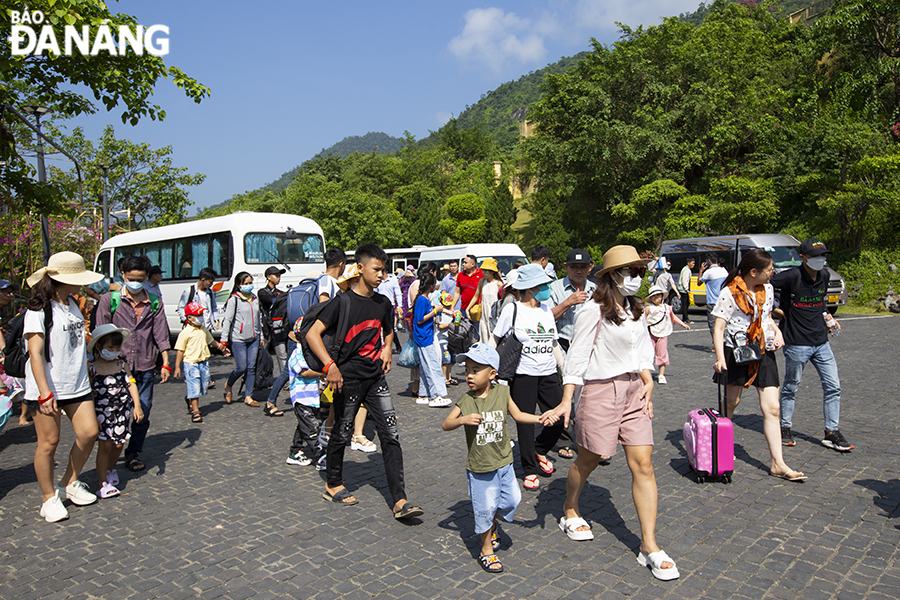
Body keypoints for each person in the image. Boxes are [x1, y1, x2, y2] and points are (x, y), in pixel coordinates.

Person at [548, 245, 680, 581]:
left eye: (639, 272)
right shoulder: (593, 308)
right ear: (611, 276)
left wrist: (648, 379)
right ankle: (570, 507)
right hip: (601, 391)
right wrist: (567, 400)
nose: (636, 277)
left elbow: (643, 349)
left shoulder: (637, 309)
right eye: (630, 272)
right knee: (589, 460)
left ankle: (649, 545)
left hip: (635, 391)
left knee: (644, 464)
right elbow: (577, 356)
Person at [306, 244, 423, 519]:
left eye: (384, 270)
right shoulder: (342, 301)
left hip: (375, 378)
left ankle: (400, 500)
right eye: (377, 269)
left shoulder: (382, 303)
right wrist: (330, 366)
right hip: (347, 378)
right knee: (342, 432)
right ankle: (333, 484)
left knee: (390, 435)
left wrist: (386, 347)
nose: (382, 275)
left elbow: (388, 330)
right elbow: (313, 334)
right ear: (360, 268)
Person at [441, 343, 558, 574]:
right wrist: (462, 420)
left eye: (476, 370)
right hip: (480, 467)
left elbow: (518, 415)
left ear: (492, 374)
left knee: (512, 500)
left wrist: (540, 419)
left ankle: (492, 524)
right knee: (483, 510)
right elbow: (446, 424)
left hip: (504, 463)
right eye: (467, 371)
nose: (469, 376)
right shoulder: (466, 400)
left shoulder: (503, 393)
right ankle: (486, 550)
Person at [712, 248, 807, 482]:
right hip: (737, 352)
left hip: (763, 351)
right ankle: (722, 446)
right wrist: (720, 357)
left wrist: (776, 331)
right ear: (753, 272)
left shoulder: (768, 289)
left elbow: (765, 318)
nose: (773, 273)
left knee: (772, 408)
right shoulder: (729, 292)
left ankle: (778, 463)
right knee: (732, 402)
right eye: (769, 270)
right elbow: (719, 328)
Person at [24, 251, 103, 522]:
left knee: (89, 432)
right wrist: (44, 392)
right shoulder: (38, 309)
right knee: (49, 442)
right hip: (47, 386)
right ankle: (48, 498)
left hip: (77, 383)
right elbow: (35, 353)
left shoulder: (71, 303)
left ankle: (70, 482)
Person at [772, 238, 852, 452]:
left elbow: (820, 301)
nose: (821, 259)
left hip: (821, 342)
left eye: (823, 255)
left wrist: (828, 317)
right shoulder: (791, 276)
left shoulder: (824, 275)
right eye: (816, 256)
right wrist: (772, 310)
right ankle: (785, 427)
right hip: (797, 343)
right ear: (803, 258)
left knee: (833, 386)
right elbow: (763, 284)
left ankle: (831, 432)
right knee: (791, 386)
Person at [94, 254, 171, 473]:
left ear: (146, 277)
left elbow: (160, 333)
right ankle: (109, 451)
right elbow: (100, 332)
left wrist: (165, 361)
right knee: (115, 412)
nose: (135, 282)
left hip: (145, 364)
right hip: (115, 367)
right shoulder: (109, 300)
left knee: (142, 412)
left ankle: (133, 453)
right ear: (123, 276)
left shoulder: (154, 301)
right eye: (131, 277)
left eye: (140, 278)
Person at [492, 263, 565, 491]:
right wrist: (490, 369)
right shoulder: (512, 309)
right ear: (532, 287)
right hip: (523, 375)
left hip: (549, 372)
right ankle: (529, 469)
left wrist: (564, 369)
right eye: (544, 284)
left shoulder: (546, 310)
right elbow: (496, 339)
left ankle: (540, 449)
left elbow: (553, 343)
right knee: (524, 423)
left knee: (559, 419)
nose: (547, 288)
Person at [87, 324, 142, 498]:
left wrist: (137, 405)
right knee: (104, 446)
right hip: (102, 412)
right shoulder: (92, 368)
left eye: (117, 347)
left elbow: (131, 383)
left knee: (118, 444)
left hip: (122, 411)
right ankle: (102, 482)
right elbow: (90, 393)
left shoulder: (122, 364)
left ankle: (110, 469)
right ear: (99, 347)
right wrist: (92, 416)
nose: (115, 350)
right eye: (110, 347)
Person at [173, 302, 228, 423]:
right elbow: (180, 351)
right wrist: (177, 367)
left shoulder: (203, 329)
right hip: (191, 363)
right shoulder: (185, 333)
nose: (201, 317)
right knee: (194, 386)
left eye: (201, 314)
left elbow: (211, 341)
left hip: (203, 362)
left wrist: (221, 347)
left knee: (204, 385)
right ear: (189, 318)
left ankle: (190, 399)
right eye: (197, 315)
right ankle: (196, 411)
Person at [284, 315, 325, 468]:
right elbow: (305, 372)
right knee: (312, 428)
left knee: (303, 426)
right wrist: (322, 373)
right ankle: (320, 458)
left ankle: (295, 452)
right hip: (301, 398)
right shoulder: (297, 354)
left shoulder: (310, 353)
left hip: (312, 397)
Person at [220, 271, 262, 408]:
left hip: (254, 339)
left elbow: (258, 318)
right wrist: (223, 341)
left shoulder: (255, 298)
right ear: (239, 285)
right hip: (238, 339)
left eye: (250, 283)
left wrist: (260, 335)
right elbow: (227, 320)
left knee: (251, 368)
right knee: (241, 367)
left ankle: (248, 396)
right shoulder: (234, 300)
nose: (249, 286)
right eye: (246, 283)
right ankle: (229, 384)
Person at [549, 249, 597, 353]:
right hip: (563, 348)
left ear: (589, 267)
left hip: (590, 348)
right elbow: (546, 318)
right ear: (566, 267)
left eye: (583, 267)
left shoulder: (595, 290)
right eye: (574, 267)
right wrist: (568, 303)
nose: (579, 271)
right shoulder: (555, 288)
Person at [413, 273, 450, 408]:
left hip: (425, 335)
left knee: (425, 366)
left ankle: (423, 394)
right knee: (432, 366)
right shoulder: (422, 300)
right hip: (424, 337)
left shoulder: (424, 299)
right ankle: (435, 395)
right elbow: (419, 319)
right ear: (430, 286)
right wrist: (435, 311)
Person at [644, 284, 690, 384]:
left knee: (662, 353)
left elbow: (674, 318)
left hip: (663, 333)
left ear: (662, 296)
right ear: (651, 298)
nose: (657, 298)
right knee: (648, 353)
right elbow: (643, 320)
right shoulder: (648, 308)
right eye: (654, 296)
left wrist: (683, 325)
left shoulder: (667, 308)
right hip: (650, 333)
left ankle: (661, 374)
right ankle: (648, 373)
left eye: (658, 296)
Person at [258, 266, 287, 383]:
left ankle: (285, 380)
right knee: (261, 355)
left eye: (279, 276)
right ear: (268, 277)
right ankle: (258, 379)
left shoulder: (280, 292)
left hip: (278, 327)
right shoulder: (262, 292)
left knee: (282, 355)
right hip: (265, 328)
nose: (278, 278)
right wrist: (281, 297)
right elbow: (270, 299)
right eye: (276, 276)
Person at [699, 254, 728, 343]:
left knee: (712, 324)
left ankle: (717, 343)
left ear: (709, 261)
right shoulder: (724, 270)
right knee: (722, 323)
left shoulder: (708, 272)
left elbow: (699, 282)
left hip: (712, 301)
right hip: (723, 301)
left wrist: (701, 270)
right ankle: (723, 339)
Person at [472, 258, 503, 345]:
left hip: (494, 315)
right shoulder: (482, 281)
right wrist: (468, 308)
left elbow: (502, 301)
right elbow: (476, 296)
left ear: (492, 271)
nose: (484, 273)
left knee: (493, 339)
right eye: (483, 270)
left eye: (486, 271)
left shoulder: (498, 284)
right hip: (484, 315)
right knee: (484, 338)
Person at [375, 267, 404, 354]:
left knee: (390, 328)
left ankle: (397, 345)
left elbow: (398, 293)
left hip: (390, 306)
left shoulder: (392, 281)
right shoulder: (378, 282)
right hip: (379, 306)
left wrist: (400, 306)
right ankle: (381, 346)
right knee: (379, 327)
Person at [677, 258, 695, 324]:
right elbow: (685, 280)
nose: (693, 265)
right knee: (685, 304)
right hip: (684, 290)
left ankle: (685, 318)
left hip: (684, 290)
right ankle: (685, 319)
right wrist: (687, 289)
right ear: (688, 263)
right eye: (692, 263)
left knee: (686, 304)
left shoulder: (687, 269)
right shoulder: (686, 270)